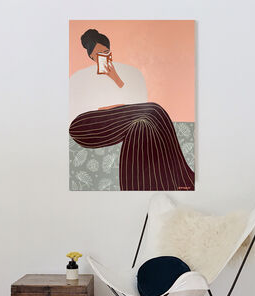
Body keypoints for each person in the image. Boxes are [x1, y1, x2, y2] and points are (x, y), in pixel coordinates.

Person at [69, 29, 194, 191]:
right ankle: (183, 178)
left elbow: (138, 102)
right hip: (84, 126)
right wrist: (111, 108)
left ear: (110, 51)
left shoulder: (128, 73)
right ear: (91, 56)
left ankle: (142, 189)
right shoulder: (81, 77)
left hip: (119, 121)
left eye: (105, 52)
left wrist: (115, 78)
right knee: (154, 109)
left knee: (140, 127)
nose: (101, 57)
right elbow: (75, 110)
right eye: (97, 54)